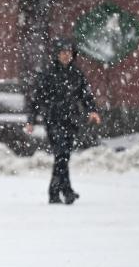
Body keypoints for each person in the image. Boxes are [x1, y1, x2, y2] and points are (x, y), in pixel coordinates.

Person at [24, 38, 101, 204]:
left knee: (64, 156)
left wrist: (92, 110)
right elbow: (36, 99)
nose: (66, 55)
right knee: (61, 154)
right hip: (53, 120)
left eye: (69, 52)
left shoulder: (77, 74)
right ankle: (65, 191)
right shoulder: (48, 75)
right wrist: (31, 120)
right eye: (63, 52)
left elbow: (86, 95)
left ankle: (58, 192)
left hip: (71, 120)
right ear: (57, 54)